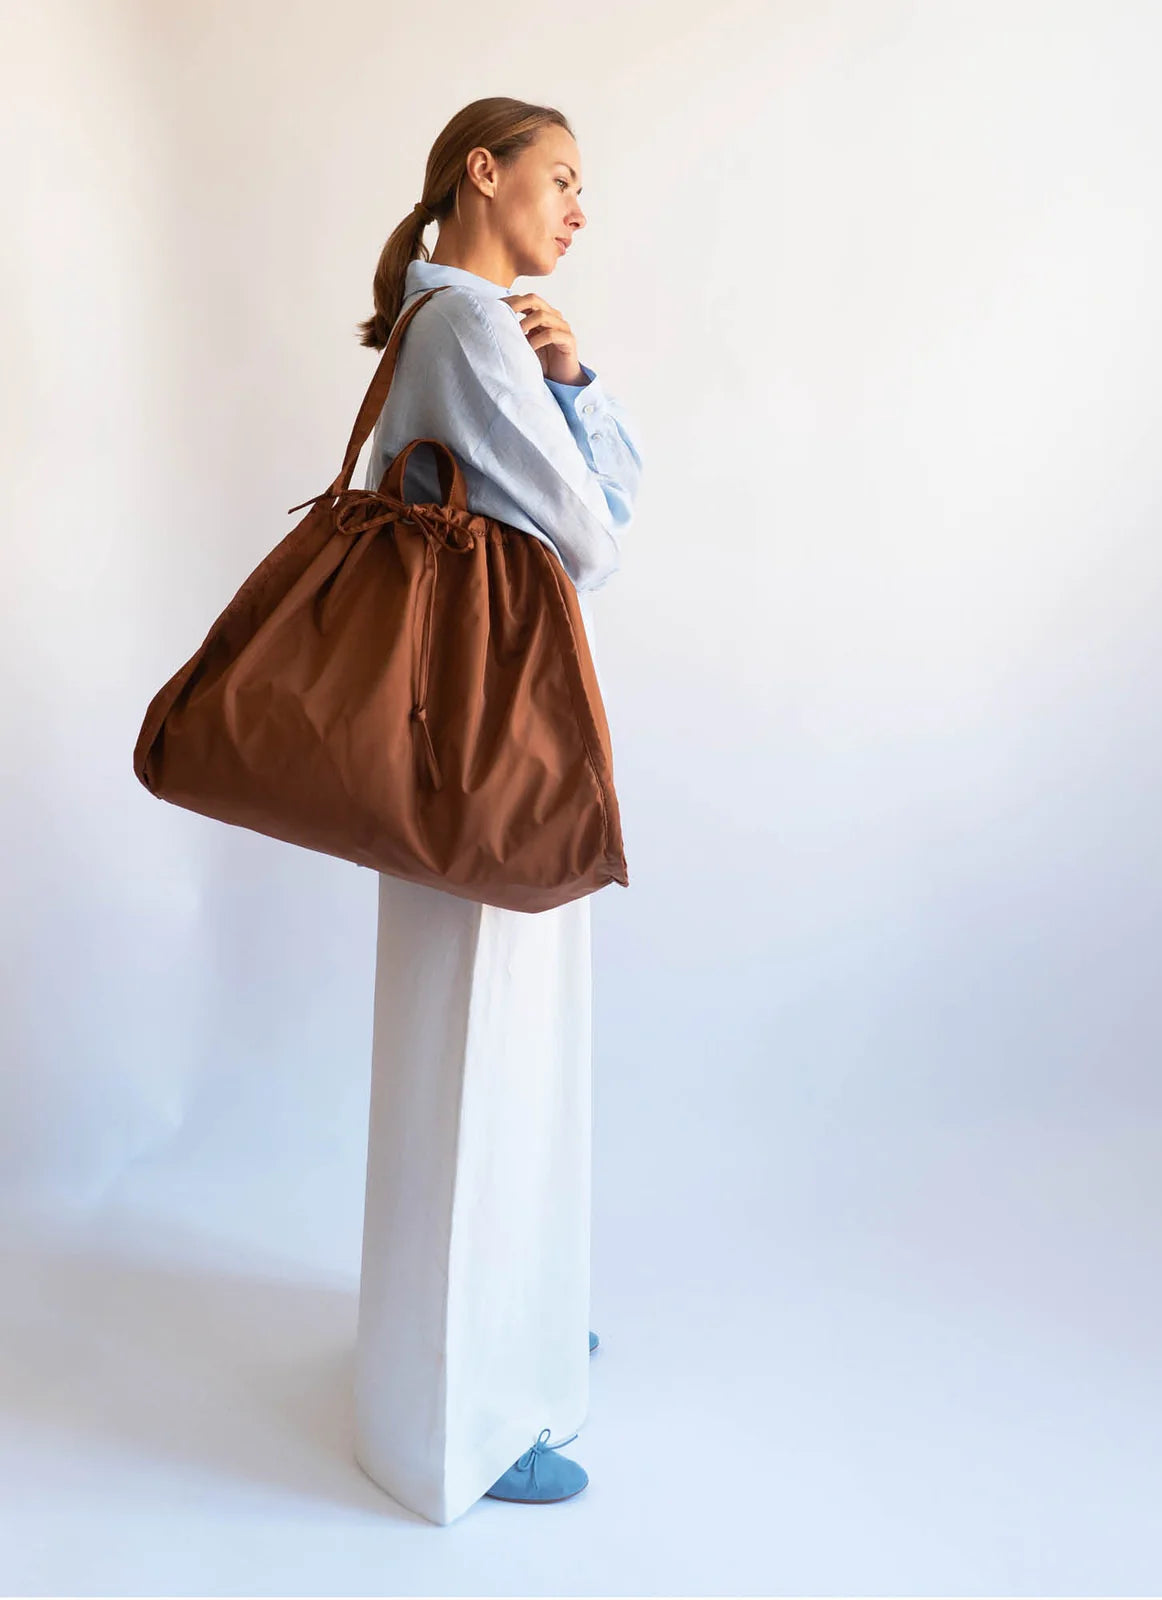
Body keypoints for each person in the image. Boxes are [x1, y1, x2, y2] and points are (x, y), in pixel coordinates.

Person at [349, 97, 644, 1527]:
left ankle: (499, 1327)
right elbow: (593, 527)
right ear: (485, 173)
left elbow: (582, 510)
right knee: (489, 1039)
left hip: (453, 724)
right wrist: (575, 394)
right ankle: (462, 1416)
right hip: (487, 731)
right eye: (560, 178)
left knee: (479, 1037)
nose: (579, 209)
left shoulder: (446, 319)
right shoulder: (469, 326)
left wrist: (569, 378)